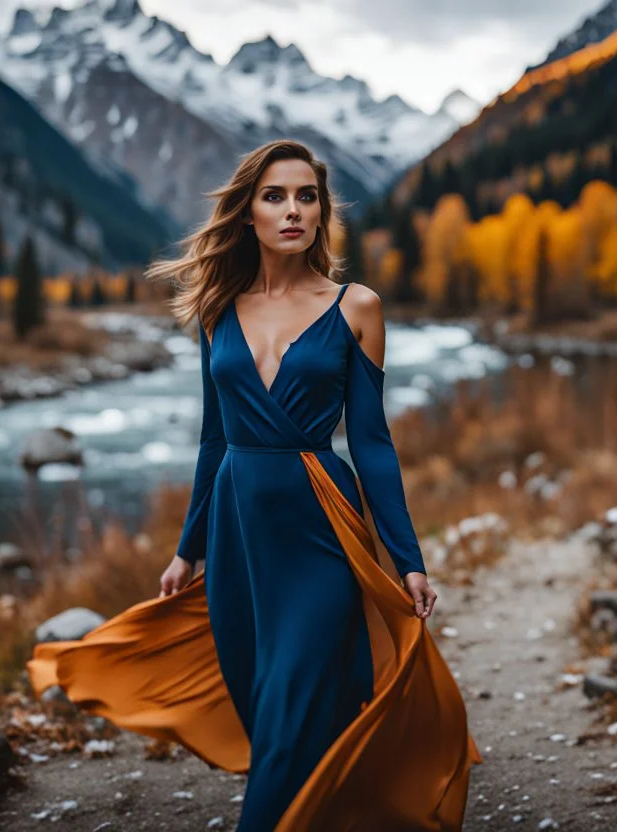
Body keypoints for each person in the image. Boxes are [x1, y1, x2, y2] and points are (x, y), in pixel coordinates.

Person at [28, 139, 479, 830]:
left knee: (291, 710)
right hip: (240, 543)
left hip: (322, 527)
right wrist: (189, 548)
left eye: (307, 197)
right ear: (248, 213)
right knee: (271, 706)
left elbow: (371, 442)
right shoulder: (216, 309)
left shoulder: (357, 306)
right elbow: (215, 438)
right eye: (276, 196)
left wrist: (408, 558)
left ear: (322, 213)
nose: (293, 210)